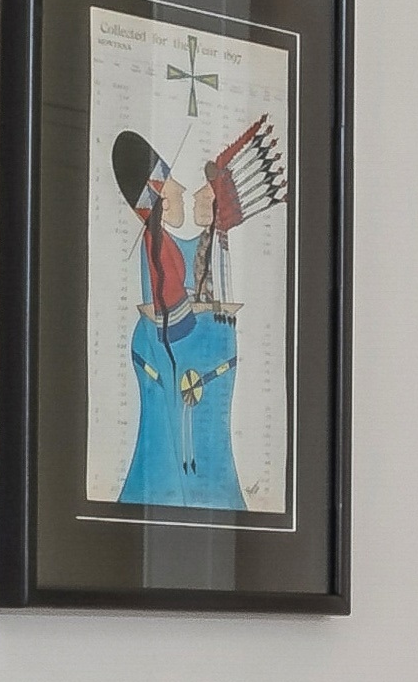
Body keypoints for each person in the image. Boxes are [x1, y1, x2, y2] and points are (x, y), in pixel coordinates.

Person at [104, 111, 287, 515]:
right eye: (172, 186)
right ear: (156, 198)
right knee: (174, 448)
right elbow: (174, 316)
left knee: (210, 446)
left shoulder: (176, 246)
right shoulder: (156, 248)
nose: (184, 190)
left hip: (195, 351)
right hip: (174, 356)